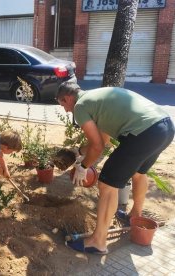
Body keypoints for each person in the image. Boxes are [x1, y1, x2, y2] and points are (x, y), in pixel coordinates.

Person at [56, 82, 174, 254]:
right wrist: (77, 152)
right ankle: (135, 216)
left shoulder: (80, 106)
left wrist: (83, 167)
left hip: (143, 133)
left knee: (107, 184)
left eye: (63, 105)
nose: (66, 110)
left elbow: (97, 147)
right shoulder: (98, 99)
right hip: (164, 127)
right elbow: (103, 142)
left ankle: (97, 242)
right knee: (139, 172)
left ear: (67, 98)